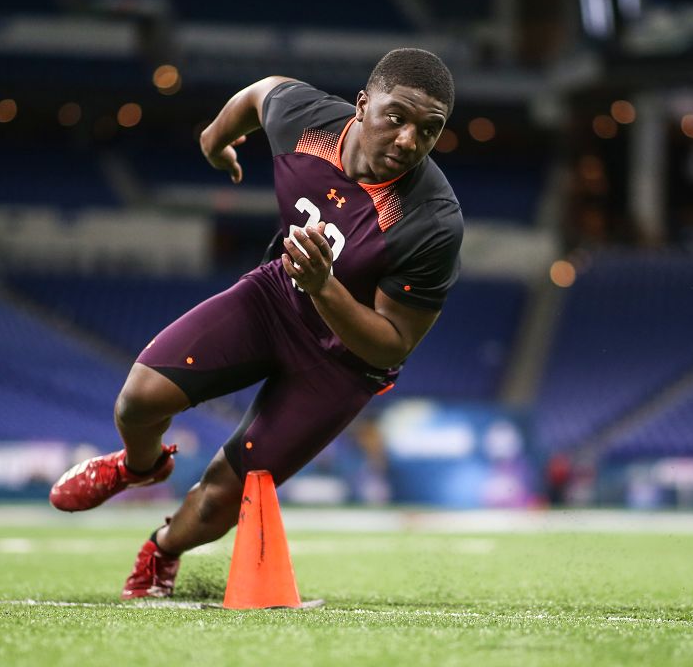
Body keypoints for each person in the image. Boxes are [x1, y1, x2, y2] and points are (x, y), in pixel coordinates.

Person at [49, 48, 464, 599]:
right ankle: (139, 466)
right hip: (277, 299)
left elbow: (390, 344)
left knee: (227, 492)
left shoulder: (432, 220)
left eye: (429, 130)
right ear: (362, 105)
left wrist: (324, 288)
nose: (410, 140)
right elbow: (259, 92)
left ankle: (162, 550)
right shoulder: (308, 121)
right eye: (397, 117)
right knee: (139, 401)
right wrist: (214, 139)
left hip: (342, 364)